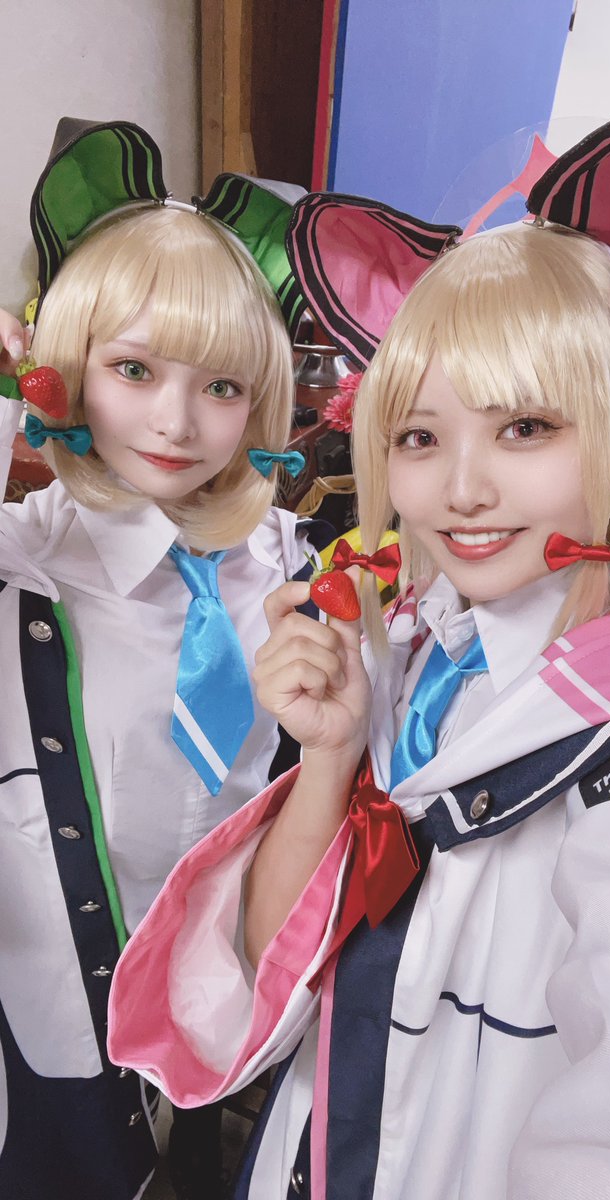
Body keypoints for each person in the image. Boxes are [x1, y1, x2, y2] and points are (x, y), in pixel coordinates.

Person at [108, 106, 610, 1198]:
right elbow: (272, 968)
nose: (460, 489)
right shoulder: (413, 648)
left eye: (525, 428)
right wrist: (329, 756)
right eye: (418, 436)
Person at [0, 117, 332, 1200]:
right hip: (47, 1035)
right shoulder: (21, 563)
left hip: (221, 1024)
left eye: (223, 387)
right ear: (64, 369)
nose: (176, 422)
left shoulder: (299, 569)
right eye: (132, 368)